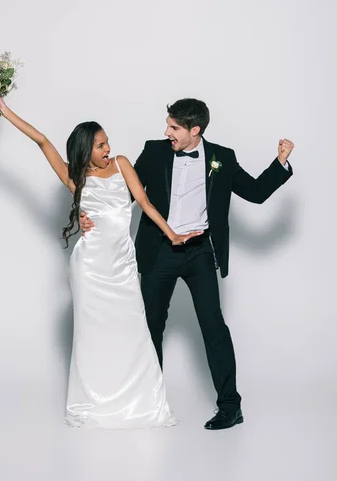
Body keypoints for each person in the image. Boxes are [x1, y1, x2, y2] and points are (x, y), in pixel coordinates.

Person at [0, 93, 202, 429]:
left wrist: (172, 234)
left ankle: (137, 402)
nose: (107, 150)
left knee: (132, 329)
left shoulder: (122, 164)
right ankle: (94, 401)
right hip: (89, 268)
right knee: (92, 336)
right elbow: (42, 141)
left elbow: (144, 203)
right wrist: (5, 110)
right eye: (101, 145)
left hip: (122, 265)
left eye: (107, 143)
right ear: (86, 149)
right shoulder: (75, 178)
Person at [80, 98, 294, 430]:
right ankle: (146, 404)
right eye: (167, 125)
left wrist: (280, 162)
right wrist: (86, 214)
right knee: (149, 327)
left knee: (214, 328)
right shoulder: (154, 152)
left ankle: (230, 407)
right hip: (159, 250)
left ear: (195, 131)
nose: (167, 132)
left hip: (199, 253)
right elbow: (122, 193)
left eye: (174, 128)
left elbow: (254, 192)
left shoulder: (222, 157)